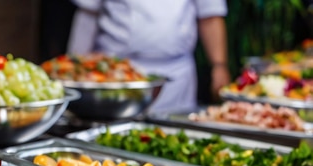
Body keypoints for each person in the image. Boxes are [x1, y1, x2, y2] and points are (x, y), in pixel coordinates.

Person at [67, 0, 231, 114]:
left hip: (176, 75)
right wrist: (74, 64)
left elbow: (210, 16)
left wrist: (219, 66)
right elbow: (88, 14)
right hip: (114, 74)